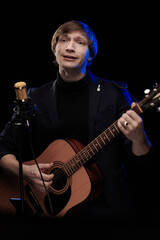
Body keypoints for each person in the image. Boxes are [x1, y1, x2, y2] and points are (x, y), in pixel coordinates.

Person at [0, 20, 152, 218]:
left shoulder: (114, 94)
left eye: (80, 42)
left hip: (107, 209)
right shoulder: (34, 97)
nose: (70, 47)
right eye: (64, 40)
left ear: (90, 55)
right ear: (55, 49)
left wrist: (139, 138)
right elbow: (3, 146)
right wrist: (24, 172)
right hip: (49, 210)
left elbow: (142, 163)